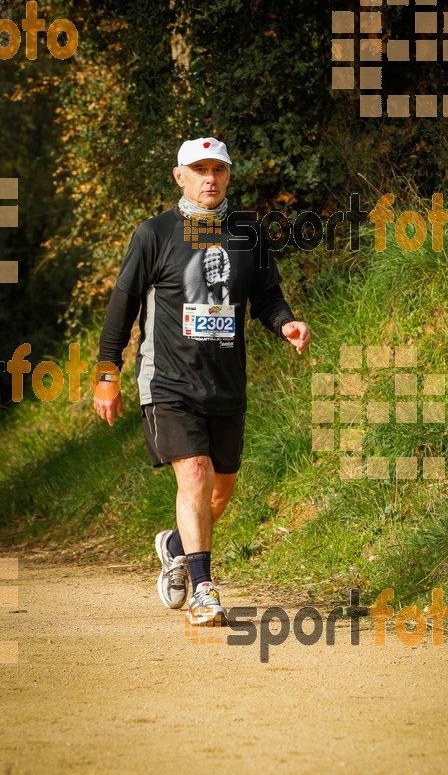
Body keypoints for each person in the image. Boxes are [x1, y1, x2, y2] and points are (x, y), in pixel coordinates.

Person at [94, 136, 310, 626]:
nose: (208, 179)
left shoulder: (248, 233)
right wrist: (108, 374)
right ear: (180, 176)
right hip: (168, 381)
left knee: (220, 488)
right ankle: (204, 588)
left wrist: (286, 323)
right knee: (193, 473)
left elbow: (268, 296)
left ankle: (175, 544)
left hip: (225, 384)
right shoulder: (154, 234)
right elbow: (121, 308)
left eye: (218, 170)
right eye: (199, 170)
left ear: (228, 176)